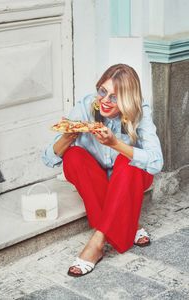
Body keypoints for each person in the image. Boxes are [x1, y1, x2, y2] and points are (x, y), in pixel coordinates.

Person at [42, 64, 163, 277]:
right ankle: (130, 224)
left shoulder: (140, 111)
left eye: (115, 97)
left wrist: (116, 144)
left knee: (127, 162)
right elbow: (48, 158)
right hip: (95, 178)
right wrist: (68, 136)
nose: (105, 100)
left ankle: (97, 242)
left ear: (127, 99)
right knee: (73, 156)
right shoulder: (86, 106)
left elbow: (156, 162)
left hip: (131, 178)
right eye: (103, 91)